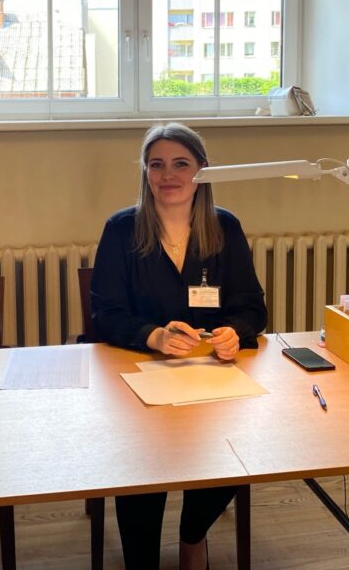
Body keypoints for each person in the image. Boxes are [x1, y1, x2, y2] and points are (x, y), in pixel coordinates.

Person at [90, 122, 268, 570]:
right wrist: (153, 335)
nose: (168, 175)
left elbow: (252, 308)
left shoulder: (224, 227)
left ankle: (193, 536)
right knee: (143, 465)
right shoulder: (122, 229)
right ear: (145, 172)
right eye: (157, 165)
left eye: (181, 164)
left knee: (235, 446)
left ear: (202, 171)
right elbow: (105, 314)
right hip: (139, 374)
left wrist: (233, 332)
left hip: (211, 376)